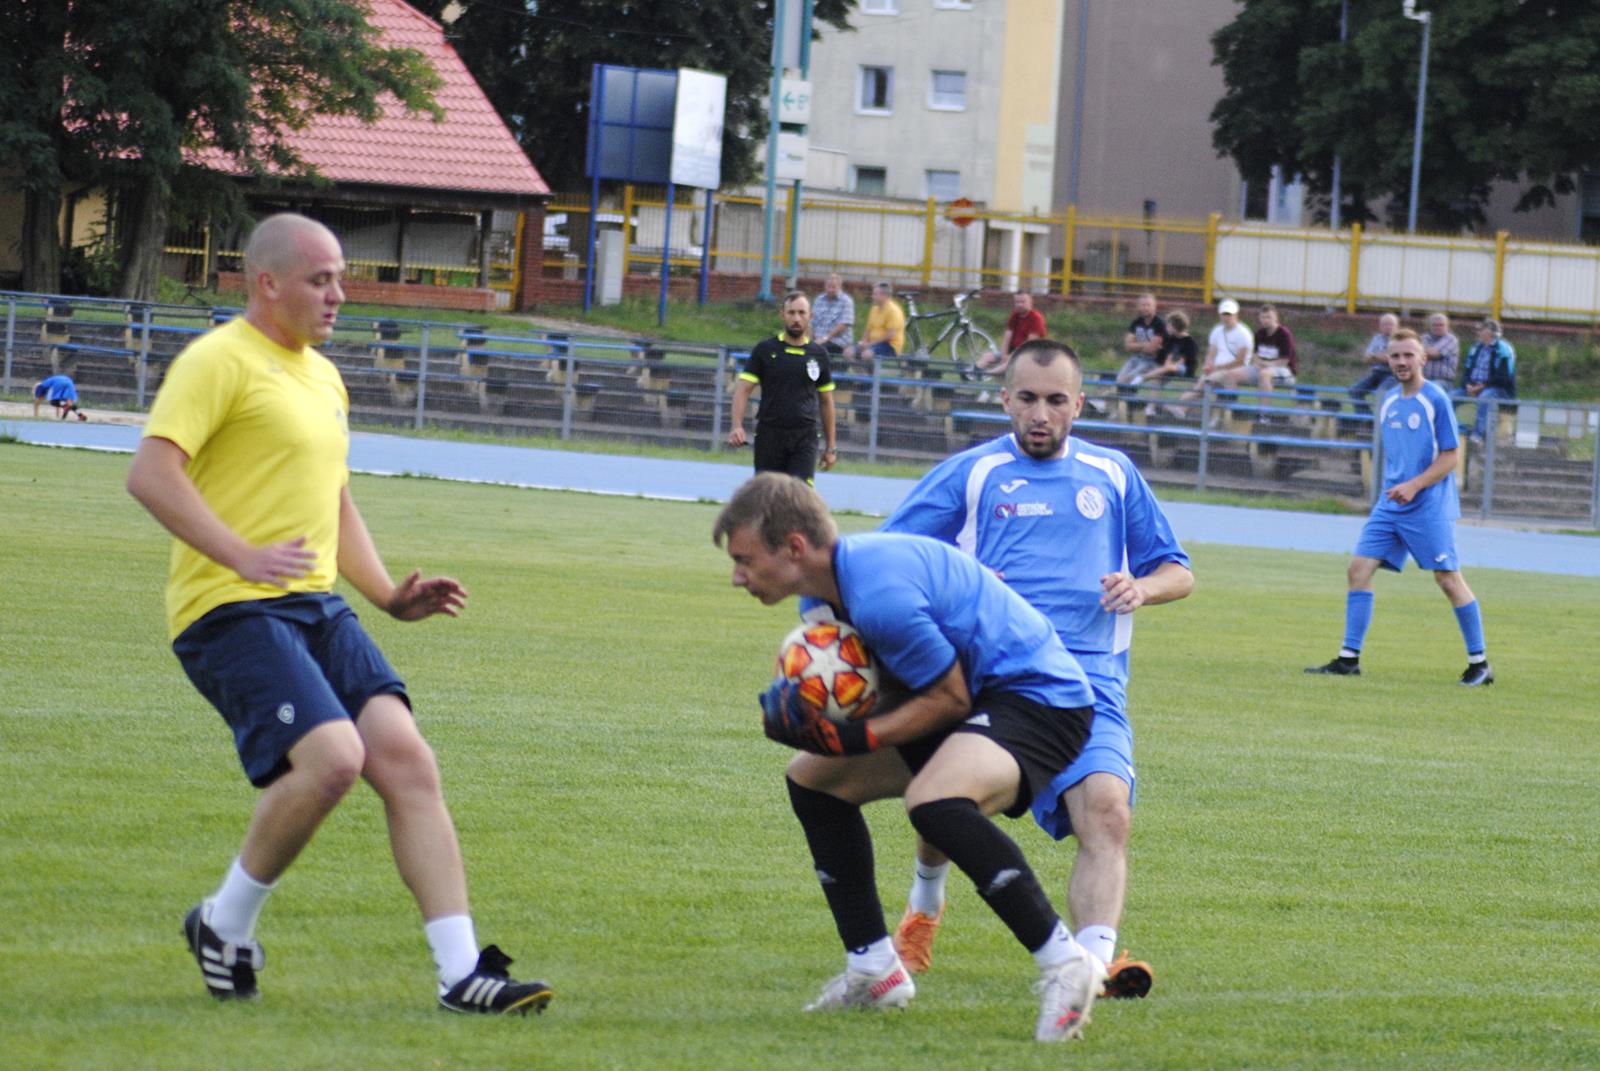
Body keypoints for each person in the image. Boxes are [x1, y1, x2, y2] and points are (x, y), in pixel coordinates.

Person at [125, 213, 553, 1013]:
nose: (337, 295)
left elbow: (336, 502)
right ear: (267, 283)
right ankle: (226, 922)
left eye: (341, 279)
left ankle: (462, 974)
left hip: (317, 604)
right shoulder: (217, 361)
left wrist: (388, 594)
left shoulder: (323, 375)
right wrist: (240, 554)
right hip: (229, 606)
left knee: (405, 759)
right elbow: (151, 473)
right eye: (320, 279)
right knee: (332, 759)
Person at [714, 473, 1109, 1043]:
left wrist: (856, 739)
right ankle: (874, 970)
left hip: (1041, 699)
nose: (737, 576)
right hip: (978, 697)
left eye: (745, 559)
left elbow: (948, 697)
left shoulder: (879, 592)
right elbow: (893, 692)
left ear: (794, 547)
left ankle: (1066, 963)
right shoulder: (822, 598)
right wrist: (809, 726)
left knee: (936, 800)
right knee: (813, 782)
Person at [881, 338, 1193, 1000]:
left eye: (1056, 400)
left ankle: (1092, 965)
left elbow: (1178, 569)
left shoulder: (1112, 474)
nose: (1041, 413)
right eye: (1027, 398)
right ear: (1004, 399)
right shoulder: (973, 472)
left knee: (1108, 813)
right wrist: (957, 586)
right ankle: (924, 907)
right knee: (947, 805)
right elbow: (892, 556)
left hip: (1088, 685)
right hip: (991, 680)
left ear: (1079, 403)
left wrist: (1142, 588)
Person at [1305, 329, 1493, 685]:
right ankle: (1348, 659)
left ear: (1423, 358)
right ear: (1387, 360)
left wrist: (1415, 485)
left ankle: (1480, 663)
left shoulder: (1434, 399)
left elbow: (1452, 457)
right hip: (1391, 504)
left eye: (1409, 355)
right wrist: (1396, 488)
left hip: (1428, 505)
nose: (1402, 362)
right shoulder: (1389, 401)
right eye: (1395, 356)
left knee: (1448, 579)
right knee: (1358, 570)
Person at [727, 291, 839, 481]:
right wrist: (736, 426)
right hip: (770, 436)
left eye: (802, 313)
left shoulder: (819, 355)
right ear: (783, 315)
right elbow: (743, 389)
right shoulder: (765, 350)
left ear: (810, 316)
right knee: (768, 498)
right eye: (791, 312)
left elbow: (827, 402)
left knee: (799, 499)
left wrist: (831, 447)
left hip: (805, 437)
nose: (796, 318)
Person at [1171, 298, 1253, 416]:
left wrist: (1217, 367)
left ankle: (1181, 407)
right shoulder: (1217, 331)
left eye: (1229, 314)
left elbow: (1241, 361)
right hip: (1217, 370)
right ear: (1220, 315)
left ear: (1236, 314)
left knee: (1203, 384)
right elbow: (1211, 353)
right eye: (1224, 314)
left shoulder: (1243, 334)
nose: (1227, 317)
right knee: (1202, 384)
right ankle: (1182, 409)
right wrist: (1208, 365)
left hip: (1232, 371)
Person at [1452, 319, 1517, 444]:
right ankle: (1453, 429)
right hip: (1474, 387)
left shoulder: (1503, 349)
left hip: (1497, 389)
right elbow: (1467, 370)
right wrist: (1467, 384)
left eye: (1481, 329)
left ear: (1489, 332)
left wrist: (1482, 387)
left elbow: (1503, 378)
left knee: (1485, 398)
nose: (1479, 332)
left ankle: (1478, 434)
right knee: (1450, 397)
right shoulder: (1476, 347)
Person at [974, 291, 1048, 378]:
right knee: (988, 356)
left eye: (1023, 302)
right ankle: (973, 372)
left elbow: (1029, 344)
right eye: (1017, 302)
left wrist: (1012, 356)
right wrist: (1003, 355)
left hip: (1029, 354)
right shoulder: (1015, 315)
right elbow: (1007, 337)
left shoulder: (1036, 318)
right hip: (1012, 352)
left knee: (1011, 361)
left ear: (1031, 301)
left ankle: (988, 374)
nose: (1019, 304)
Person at [1347, 312, 1400, 415]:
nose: (1387, 327)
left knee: (1381, 393)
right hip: (1376, 373)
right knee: (1354, 391)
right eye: (1385, 324)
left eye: (1390, 324)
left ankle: (1381, 424)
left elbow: (1392, 358)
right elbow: (1366, 358)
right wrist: (1379, 357)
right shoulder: (1377, 338)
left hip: (1393, 375)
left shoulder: (1401, 340)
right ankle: (1367, 420)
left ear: (1397, 326)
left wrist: (1375, 356)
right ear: (1380, 326)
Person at [844, 283, 906, 364]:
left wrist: (870, 344)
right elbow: (868, 330)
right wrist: (863, 342)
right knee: (848, 353)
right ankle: (863, 375)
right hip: (872, 344)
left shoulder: (893, 311)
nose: (872, 296)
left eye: (875, 294)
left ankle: (873, 375)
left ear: (884, 296)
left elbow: (890, 336)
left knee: (867, 355)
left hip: (890, 345)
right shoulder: (874, 309)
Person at [1115, 293, 1168, 385]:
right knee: (1119, 380)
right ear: (1139, 307)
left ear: (1154, 307)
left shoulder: (1160, 324)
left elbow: (1151, 349)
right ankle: (1124, 398)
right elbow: (1128, 346)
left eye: (1148, 305)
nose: (1145, 308)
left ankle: (1131, 399)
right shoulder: (1136, 322)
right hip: (1136, 357)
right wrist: (1145, 345)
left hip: (1153, 361)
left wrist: (1136, 346)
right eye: (1143, 305)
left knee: (1129, 380)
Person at [809, 273, 855, 359]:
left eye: (833, 287)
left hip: (838, 341)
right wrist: (811, 339)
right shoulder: (819, 299)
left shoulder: (846, 301)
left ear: (840, 287)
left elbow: (843, 325)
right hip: (818, 340)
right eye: (828, 286)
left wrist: (825, 338)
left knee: (819, 350)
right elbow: (812, 321)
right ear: (825, 286)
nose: (830, 289)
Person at [1252, 304, 1297, 391]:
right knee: (1233, 374)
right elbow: (1255, 355)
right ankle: (1226, 403)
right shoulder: (1259, 333)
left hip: (1285, 372)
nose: (1265, 320)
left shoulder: (1284, 334)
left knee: (1264, 375)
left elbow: (1284, 361)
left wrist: (1267, 364)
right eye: (1263, 317)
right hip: (1261, 368)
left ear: (1276, 317)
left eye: (1269, 317)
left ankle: (1263, 405)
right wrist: (1258, 362)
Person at [1420, 312, 1460, 384]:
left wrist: (1418, 351)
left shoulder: (1451, 339)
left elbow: (1435, 353)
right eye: (1435, 325)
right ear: (1430, 326)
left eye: (1441, 325)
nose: (1438, 327)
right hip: (1423, 378)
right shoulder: (1425, 337)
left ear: (1447, 326)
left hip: (1443, 381)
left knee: (1431, 389)